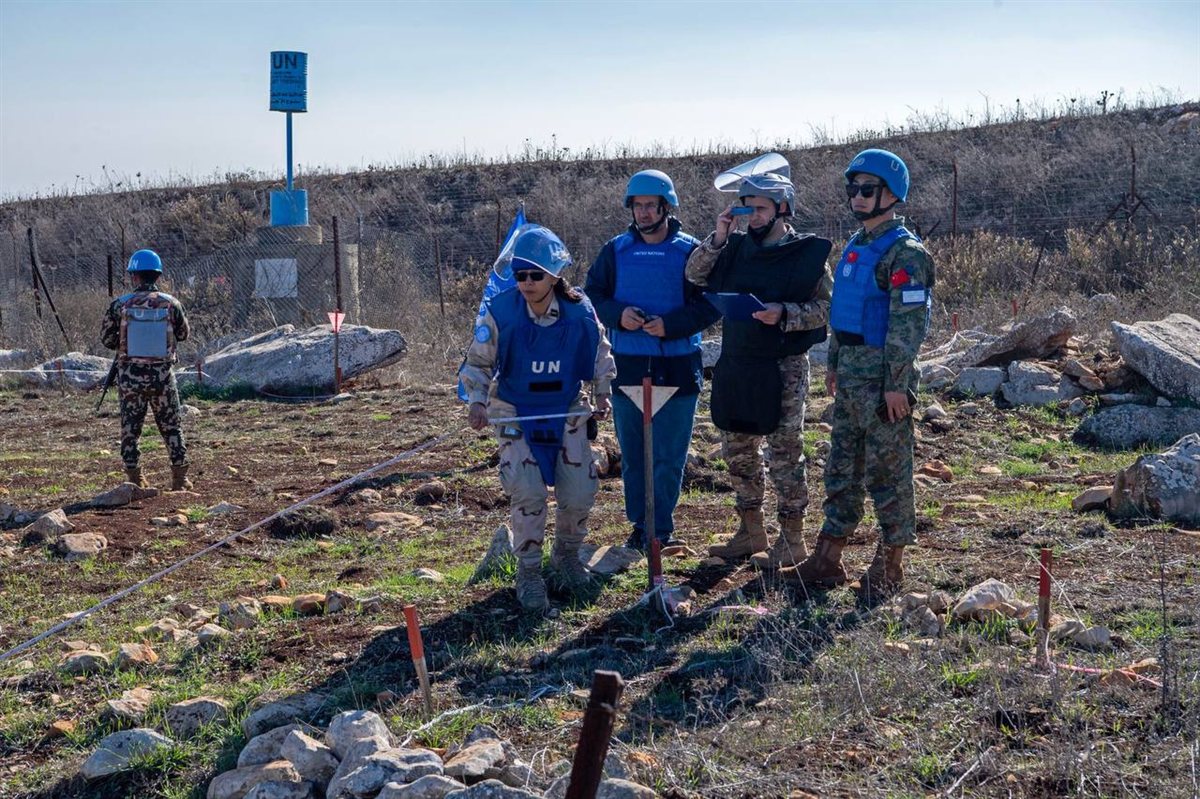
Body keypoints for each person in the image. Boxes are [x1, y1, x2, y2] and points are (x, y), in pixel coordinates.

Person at [783, 149, 935, 600]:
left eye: (868, 189)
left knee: (889, 472)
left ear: (891, 194)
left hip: (882, 381)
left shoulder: (906, 253)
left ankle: (890, 566)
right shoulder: (856, 245)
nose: (859, 197)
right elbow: (843, 313)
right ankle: (828, 558)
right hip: (850, 375)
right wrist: (832, 364)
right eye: (854, 189)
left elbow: (908, 328)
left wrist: (895, 385)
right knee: (842, 468)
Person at [461, 224, 617, 613]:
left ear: (554, 276)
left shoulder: (580, 311)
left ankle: (566, 557)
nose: (527, 283)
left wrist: (602, 392)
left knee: (580, 491)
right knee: (527, 490)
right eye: (520, 275)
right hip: (514, 408)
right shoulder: (502, 313)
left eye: (535, 275)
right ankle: (528, 572)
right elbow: (478, 362)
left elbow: (600, 351)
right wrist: (477, 402)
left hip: (566, 407)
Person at [685, 165, 832, 570]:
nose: (752, 216)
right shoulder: (731, 247)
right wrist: (717, 236)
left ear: (782, 208)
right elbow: (694, 275)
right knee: (738, 447)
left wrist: (784, 312)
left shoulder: (805, 255)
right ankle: (751, 531)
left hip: (783, 365)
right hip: (738, 360)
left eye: (760, 208)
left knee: (785, 451)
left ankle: (793, 539)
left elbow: (823, 310)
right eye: (746, 207)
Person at [584, 170, 719, 553]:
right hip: (627, 365)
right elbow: (592, 293)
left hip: (677, 367)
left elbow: (711, 303)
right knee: (634, 456)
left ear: (666, 207)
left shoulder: (691, 251)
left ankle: (661, 528)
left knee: (668, 456)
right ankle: (640, 527)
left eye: (650, 205)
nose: (643, 213)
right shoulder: (616, 250)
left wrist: (672, 325)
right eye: (637, 205)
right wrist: (617, 314)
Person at [100, 249, 192, 491]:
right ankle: (180, 479)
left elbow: (107, 340)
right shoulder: (171, 304)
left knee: (130, 429)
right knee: (172, 426)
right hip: (162, 377)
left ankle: (134, 478)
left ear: (135, 276)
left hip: (130, 378)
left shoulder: (119, 305)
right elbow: (183, 334)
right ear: (157, 275)